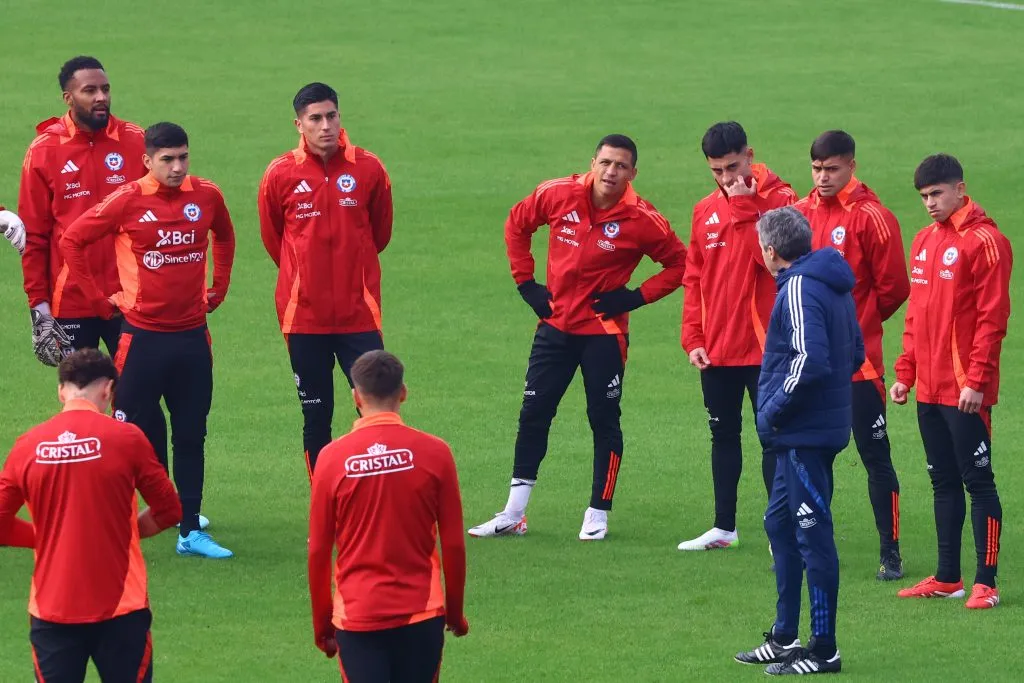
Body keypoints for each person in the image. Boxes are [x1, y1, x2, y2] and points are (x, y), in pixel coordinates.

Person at [469, 134, 687, 541]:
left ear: (633, 173)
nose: (611, 171)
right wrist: (526, 283)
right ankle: (513, 513)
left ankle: (598, 512)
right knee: (534, 413)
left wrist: (635, 297)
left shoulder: (642, 218)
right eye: (605, 162)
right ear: (592, 163)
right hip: (554, 327)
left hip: (603, 334)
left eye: (621, 166)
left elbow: (681, 264)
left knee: (603, 419)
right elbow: (517, 223)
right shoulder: (558, 194)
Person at [59, 122, 236, 558]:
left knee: (192, 434)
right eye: (167, 160)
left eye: (183, 158)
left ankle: (190, 529)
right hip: (142, 340)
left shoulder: (207, 195)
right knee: (130, 434)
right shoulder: (127, 199)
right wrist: (97, 299)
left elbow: (225, 235)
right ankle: (139, 514)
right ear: (147, 160)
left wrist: (219, 286)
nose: (177, 167)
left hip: (192, 339)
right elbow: (73, 239)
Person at [0, 349, 181, 683]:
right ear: (108, 389)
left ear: (61, 391)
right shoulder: (127, 439)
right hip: (122, 608)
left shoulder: (27, 446)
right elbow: (170, 510)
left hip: (52, 610)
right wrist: (120, 533)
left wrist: (50, 538)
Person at [735, 207, 862, 675]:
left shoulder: (798, 287)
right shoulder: (832, 283)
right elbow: (856, 352)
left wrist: (771, 410)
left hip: (803, 434)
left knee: (813, 536)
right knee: (779, 525)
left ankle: (824, 649)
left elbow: (809, 360)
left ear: (770, 250)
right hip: (809, 431)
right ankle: (785, 636)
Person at [892, 154, 1011, 609]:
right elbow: (916, 315)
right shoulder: (924, 240)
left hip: (965, 391)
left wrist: (976, 381)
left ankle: (987, 582)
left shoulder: (987, 242)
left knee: (978, 482)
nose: (929, 203)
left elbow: (992, 320)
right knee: (942, 481)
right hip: (930, 388)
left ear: (960, 189)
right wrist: (906, 373)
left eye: (937, 194)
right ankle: (947, 578)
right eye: (924, 196)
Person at [258, 82, 393, 479]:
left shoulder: (369, 168)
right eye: (315, 119)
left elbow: (380, 234)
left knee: (375, 412)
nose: (325, 126)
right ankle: (325, 503)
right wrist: (304, 276)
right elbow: (274, 239)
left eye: (331, 116)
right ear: (299, 124)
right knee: (316, 416)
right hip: (304, 319)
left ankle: (371, 497)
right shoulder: (280, 173)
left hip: (359, 316)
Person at [308, 350, 468, 682]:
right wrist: (454, 612)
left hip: (358, 616)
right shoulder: (436, 452)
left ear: (356, 396)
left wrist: (322, 625)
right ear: (403, 392)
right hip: (422, 612)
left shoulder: (331, 458)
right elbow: (453, 543)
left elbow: (319, 551)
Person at [677, 121, 798, 552]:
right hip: (718, 348)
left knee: (773, 438)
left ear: (750, 155)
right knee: (722, 435)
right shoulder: (704, 209)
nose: (727, 178)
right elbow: (694, 277)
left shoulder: (783, 201)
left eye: (732, 167)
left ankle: (781, 532)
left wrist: (745, 206)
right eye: (717, 171)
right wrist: (693, 336)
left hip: (768, 349)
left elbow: (772, 265)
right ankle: (724, 527)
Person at [794, 130, 909, 580]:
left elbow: (894, 287)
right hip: (811, 365)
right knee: (812, 457)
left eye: (832, 169)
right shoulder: (800, 214)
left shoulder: (871, 217)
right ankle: (813, 547)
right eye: (816, 169)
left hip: (859, 366)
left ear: (851, 167)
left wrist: (855, 326)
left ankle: (890, 552)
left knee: (874, 456)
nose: (822, 177)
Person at [18, 56, 146, 358]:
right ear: (68, 98)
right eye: (90, 91)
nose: (101, 97)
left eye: (105, 89)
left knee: (137, 386)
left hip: (129, 296)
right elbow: (33, 235)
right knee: (80, 385)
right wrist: (39, 306)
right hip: (71, 300)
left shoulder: (136, 141)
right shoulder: (44, 150)